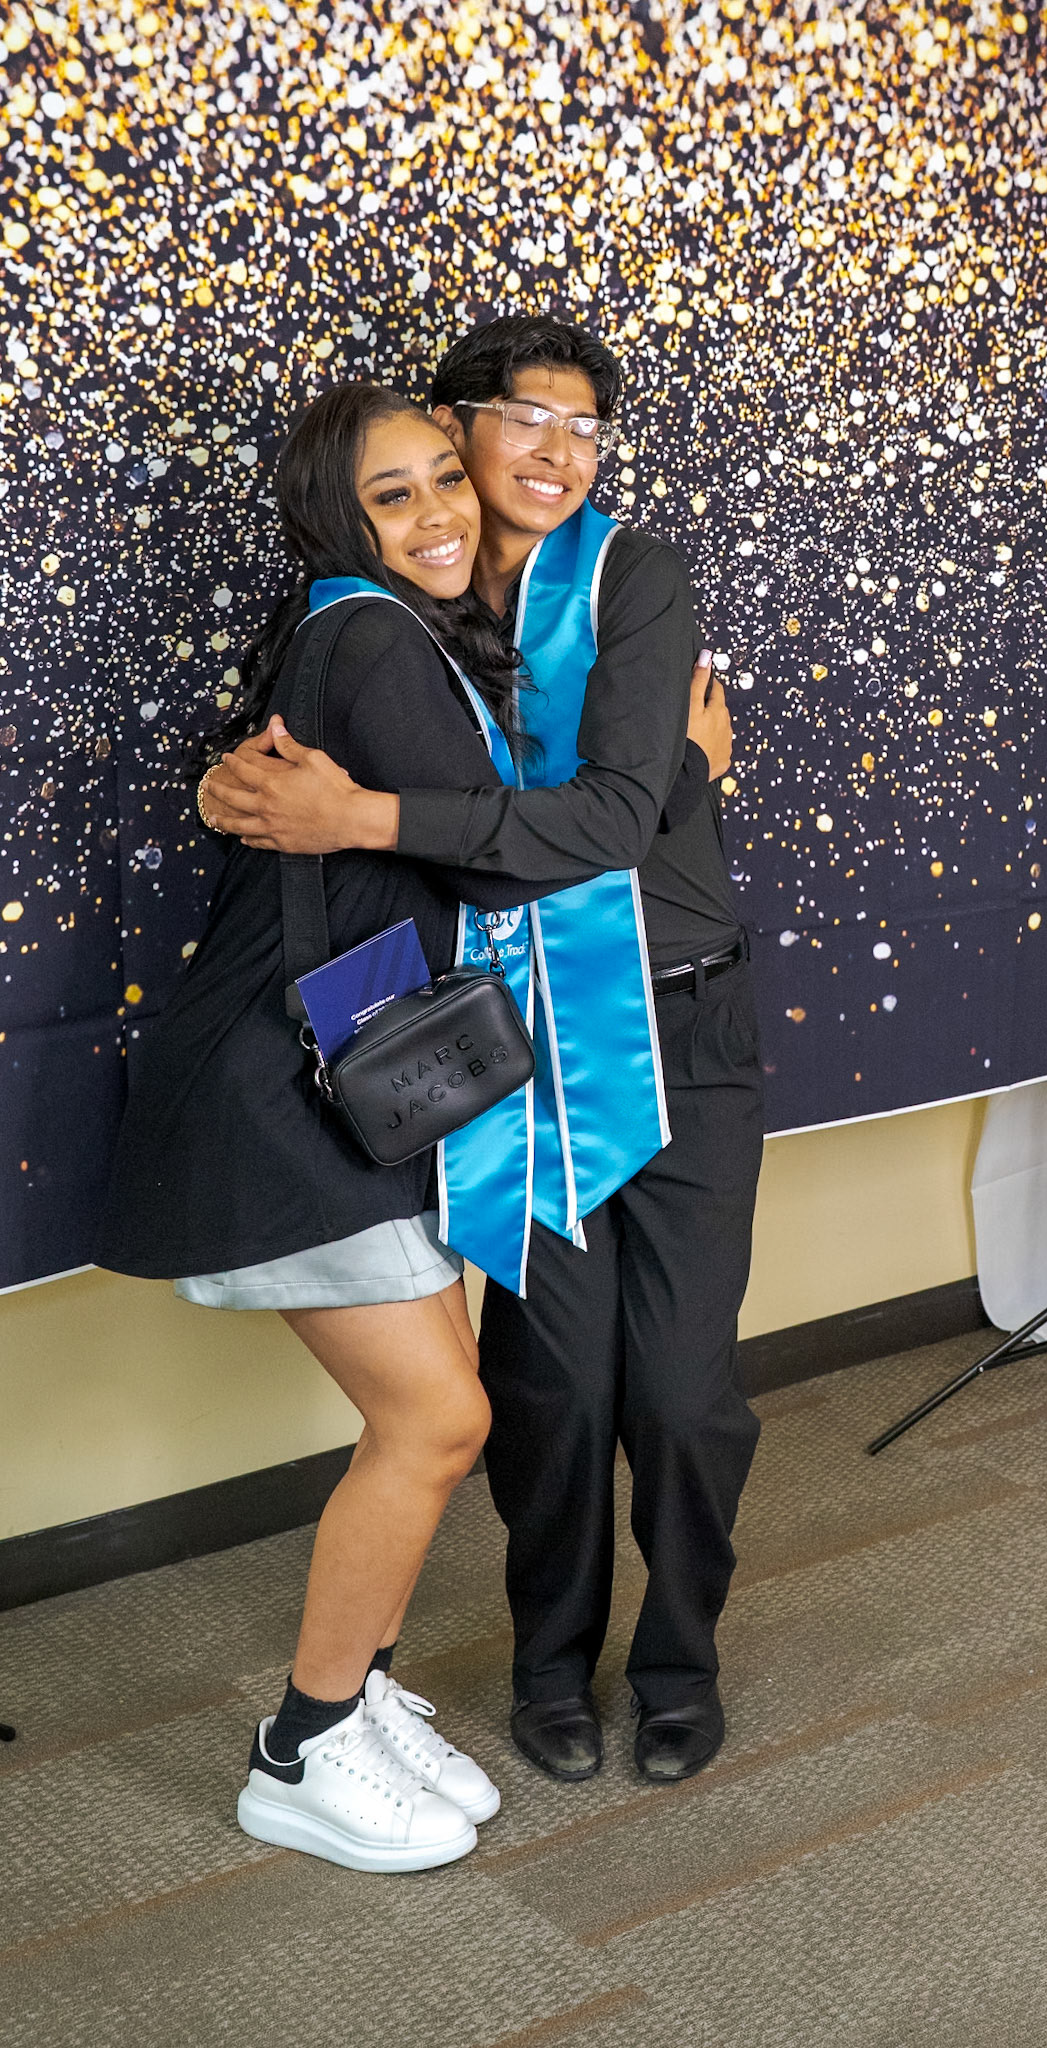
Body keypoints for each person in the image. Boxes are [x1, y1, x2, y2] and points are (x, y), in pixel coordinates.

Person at [98, 382, 664, 1870]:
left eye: (443, 480)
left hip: (356, 1082)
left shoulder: (384, 632)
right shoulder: (376, 638)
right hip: (284, 1096)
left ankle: (360, 1696)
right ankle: (300, 1747)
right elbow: (504, 860)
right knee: (440, 1419)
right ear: (337, 522)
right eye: (392, 495)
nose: (438, 514)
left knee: (427, 1415)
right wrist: (650, 784)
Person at [206, 318, 762, 1788]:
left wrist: (370, 817)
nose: (558, 454)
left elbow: (612, 817)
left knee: (685, 1394)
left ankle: (680, 1663)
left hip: (680, 1025)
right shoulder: (407, 605)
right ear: (456, 429)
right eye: (526, 418)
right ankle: (549, 1664)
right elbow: (301, 747)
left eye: (585, 429)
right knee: (550, 1388)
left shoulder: (631, 577)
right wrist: (235, 787)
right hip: (513, 1044)